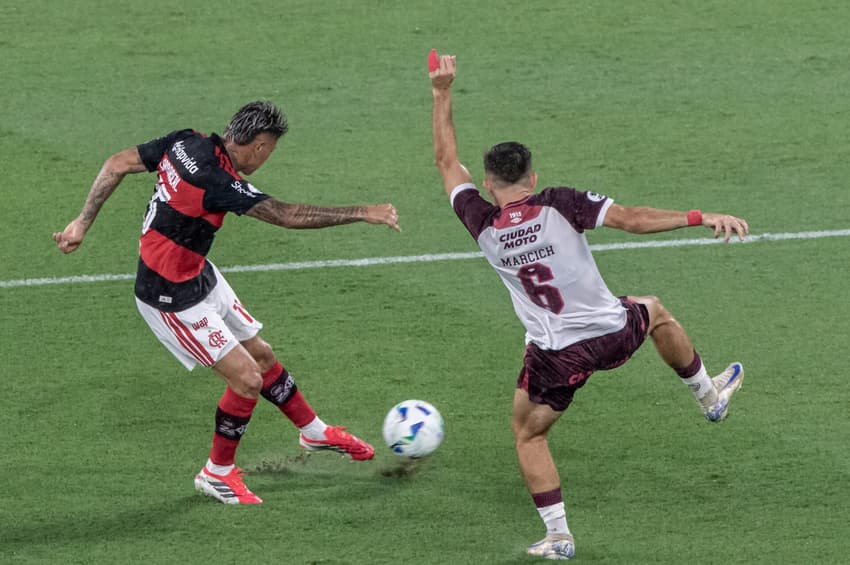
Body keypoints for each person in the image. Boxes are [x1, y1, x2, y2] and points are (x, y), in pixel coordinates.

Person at [428, 52, 748, 560]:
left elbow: (447, 162)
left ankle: (559, 536)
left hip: (556, 354)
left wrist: (441, 92)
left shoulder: (480, 220)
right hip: (612, 331)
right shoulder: (558, 201)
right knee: (655, 310)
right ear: (532, 177)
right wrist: (700, 215)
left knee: (527, 436)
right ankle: (709, 397)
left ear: (489, 184)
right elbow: (635, 219)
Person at [53, 101, 400, 505]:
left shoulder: (185, 141)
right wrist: (362, 211)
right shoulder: (216, 180)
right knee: (247, 379)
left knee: (263, 357)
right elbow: (286, 215)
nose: (267, 156)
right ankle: (216, 473)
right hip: (169, 297)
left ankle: (314, 431)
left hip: (198, 273)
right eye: (270, 148)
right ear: (259, 146)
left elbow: (116, 163)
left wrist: (81, 222)